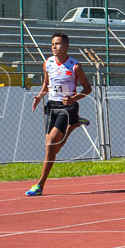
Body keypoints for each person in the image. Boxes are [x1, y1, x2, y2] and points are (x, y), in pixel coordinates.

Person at [25, 33, 92, 196]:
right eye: (52, 44)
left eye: (58, 44)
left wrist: (72, 99)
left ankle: (40, 184)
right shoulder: (47, 63)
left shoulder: (75, 66)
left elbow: (88, 89)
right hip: (52, 106)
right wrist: (39, 97)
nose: (54, 47)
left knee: (50, 145)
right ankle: (73, 126)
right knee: (53, 147)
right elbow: (46, 84)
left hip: (67, 107)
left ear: (66, 46)